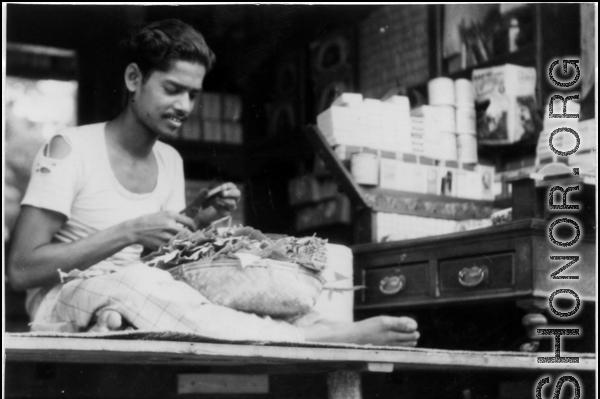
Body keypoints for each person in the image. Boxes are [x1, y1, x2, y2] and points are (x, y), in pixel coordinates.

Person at [7, 19, 419, 347]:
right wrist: (130, 231)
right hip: (61, 301)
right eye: (172, 89)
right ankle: (312, 337)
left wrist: (195, 221)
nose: (184, 106)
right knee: (140, 283)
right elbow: (21, 270)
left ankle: (118, 323)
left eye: (193, 95)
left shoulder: (169, 159)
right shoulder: (68, 148)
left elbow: (158, 260)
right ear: (134, 78)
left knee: (210, 281)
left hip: (148, 293)